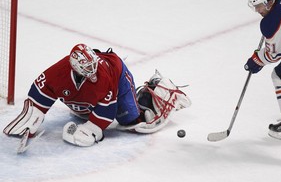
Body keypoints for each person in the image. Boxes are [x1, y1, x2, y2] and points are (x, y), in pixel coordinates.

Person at [3, 44, 191, 146]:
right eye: (87, 69)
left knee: (133, 122)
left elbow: (107, 113)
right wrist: (34, 113)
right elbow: (43, 90)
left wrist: (93, 129)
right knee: (81, 111)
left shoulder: (103, 77)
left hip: (118, 77)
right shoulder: (58, 73)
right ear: (75, 67)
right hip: (88, 94)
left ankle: (158, 89)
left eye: (93, 65)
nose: (93, 72)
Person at [245, 0, 281, 141]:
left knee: (280, 77)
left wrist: (256, 60)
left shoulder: (273, 24)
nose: (257, 10)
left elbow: (274, 55)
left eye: (259, 6)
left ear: (269, 2)